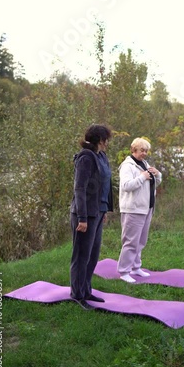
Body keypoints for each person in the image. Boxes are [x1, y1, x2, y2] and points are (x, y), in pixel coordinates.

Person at [70, 124, 113, 309]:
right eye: (106, 139)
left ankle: (86, 290)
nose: (107, 143)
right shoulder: (85, 157)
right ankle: (77, 295)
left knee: (93, 255)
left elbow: (104, 185)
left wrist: (104, 210)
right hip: (84, 214)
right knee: (81, 256)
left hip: (97, 212)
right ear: (99, 139)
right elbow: (79, 188)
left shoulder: (101, 156)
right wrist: (82, 218)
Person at [117, 137, 162, 283]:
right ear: (133, 150)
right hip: (132, 209)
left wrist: (157, 175)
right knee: (130, 241)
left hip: (146, 207)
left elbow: (154, 184)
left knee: (141, 241)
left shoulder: (144, 163)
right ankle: (124, 271)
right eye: (142, 150)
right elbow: (126, 186)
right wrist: (142, 177)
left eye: (146, 151)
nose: (145, 153)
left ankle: (136, 267)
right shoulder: (127, 166)